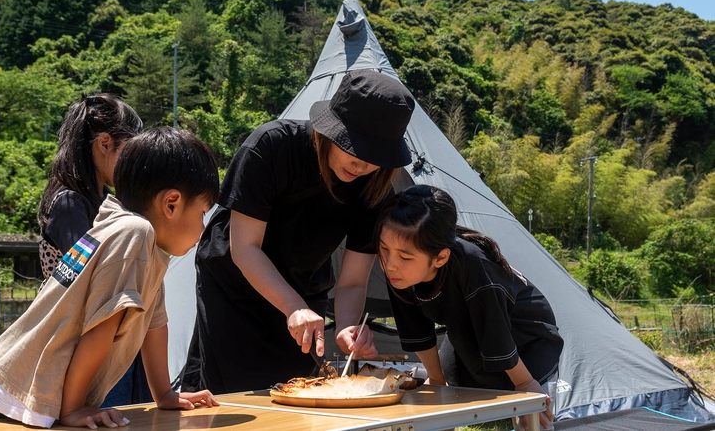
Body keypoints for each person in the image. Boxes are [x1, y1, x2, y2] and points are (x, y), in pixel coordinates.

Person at [0, 127, 221, 429]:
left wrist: (163, 394)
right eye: (201, 213)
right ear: (171, 203)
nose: (203, 228)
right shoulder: (133, 234)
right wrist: (74, 409)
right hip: (8, 400)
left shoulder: (142, 242)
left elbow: (155, 323)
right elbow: (101, 327)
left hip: (11, 390)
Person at [183, 69, 416, 394]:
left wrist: (348, 328)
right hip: (235, 286)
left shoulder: (375, 190)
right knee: (237, 394)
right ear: (332, 130)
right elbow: (244, 247)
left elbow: (352, 281)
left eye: (374, 157)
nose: (361, 166)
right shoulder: (270, 148)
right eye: (354, 148)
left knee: (297, 391)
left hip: (304, 289)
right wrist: (292, 306)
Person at [376, 184, 563, 429]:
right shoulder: (398, 271)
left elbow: (495, 331)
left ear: (440, 257)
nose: (390, 264)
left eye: (405, 256)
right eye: (383, 249)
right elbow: (416, 332)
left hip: (522, 336)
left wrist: (525, 385)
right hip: (466, 332)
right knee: (441, 403)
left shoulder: (473, 263)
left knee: (529, 414)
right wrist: (436, 379)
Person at [36, 92, 150, 406]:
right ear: (104, 143)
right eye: (130, 151)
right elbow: (93, 274)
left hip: (96, 339)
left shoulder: (100, 202)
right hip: (80, 345)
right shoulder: (71, 202)